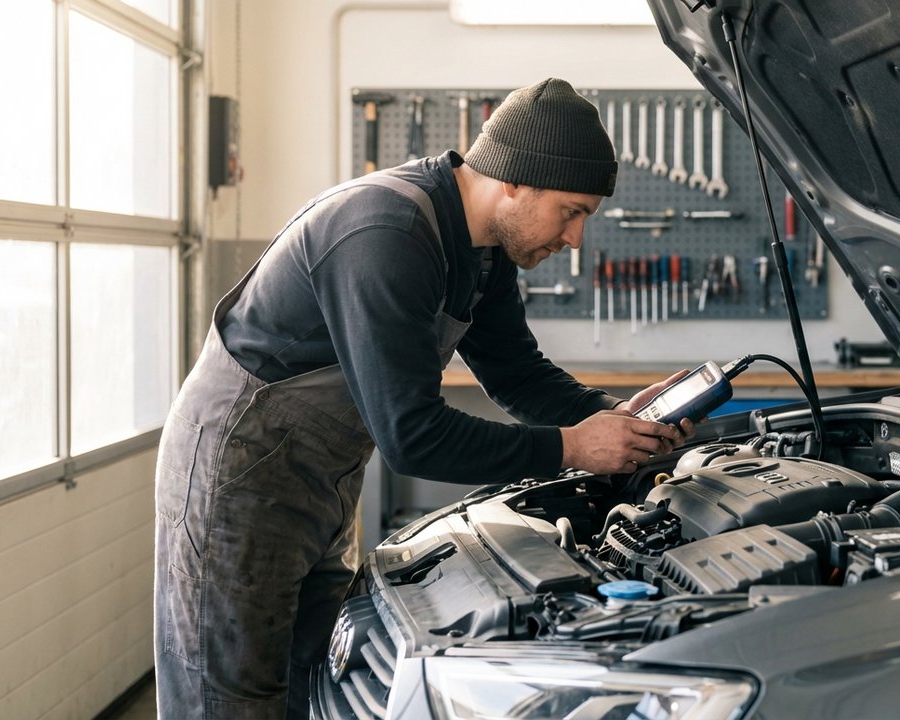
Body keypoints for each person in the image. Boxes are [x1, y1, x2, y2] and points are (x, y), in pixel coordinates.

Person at [153, 77, 694, 718]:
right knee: (230, 696)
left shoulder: (485, 249)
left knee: (316, 681)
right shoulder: (388, 232)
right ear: (514, 181)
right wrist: (573, 449)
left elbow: (518, 374)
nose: (575, 238)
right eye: (570, 211)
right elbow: (412, 437)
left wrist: (616, 421)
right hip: (238, 472)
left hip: (316, 477)